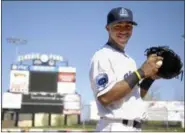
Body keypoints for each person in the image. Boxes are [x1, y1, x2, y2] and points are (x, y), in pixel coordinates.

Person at [89, 7, 163, 131]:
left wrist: (150, 78)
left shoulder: (129, 60)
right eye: (118, 26)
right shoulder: (102, 56)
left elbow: (136, 95)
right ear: (108, 28)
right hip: (115, 126)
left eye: (128, 26)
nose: (123, 30)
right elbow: (105, 98)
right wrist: (141, 72)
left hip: (133, 127)